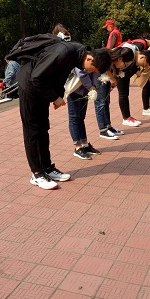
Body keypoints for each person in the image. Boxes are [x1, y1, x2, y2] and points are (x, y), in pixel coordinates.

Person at [17, 39, 112, 190]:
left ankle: (47, 167)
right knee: (33, 131)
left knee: (43, 128)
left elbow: (60, 76)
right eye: (92, 70)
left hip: (42, 88)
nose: (90, 72)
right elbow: (36, 77)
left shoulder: (77, 54)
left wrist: (58, 95)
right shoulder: (64, 52)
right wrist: (54, 97)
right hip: (29, 86)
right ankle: (36, 173)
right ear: (90, 59)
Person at [115, 40, 150, 127]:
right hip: (114, 74)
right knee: (123, 94)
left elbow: (131, 65)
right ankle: (126, 118)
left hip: (120, 73)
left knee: (124, 94)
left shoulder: (134, 51)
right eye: (144, 64)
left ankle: (127, 117)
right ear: (143, 57)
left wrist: (136, 70)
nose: (143, 66)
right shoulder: (128, 52)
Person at [96, 46, 133, 140]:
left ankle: (108, 126)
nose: (125, 66)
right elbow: (104, 68)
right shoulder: (105, 56)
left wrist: (113, 79)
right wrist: (112, 78)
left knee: (106, 102)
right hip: (99, 78)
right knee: (101, 103)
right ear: (120, 59)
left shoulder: (114, 61)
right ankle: (103, 130)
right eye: (125, 64)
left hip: (105, 78)